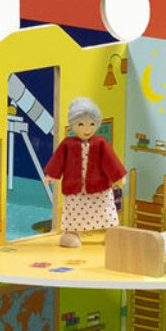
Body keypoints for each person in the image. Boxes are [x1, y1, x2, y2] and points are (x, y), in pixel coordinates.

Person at [42, 97, 126, 247]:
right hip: (75, 189)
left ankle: (112, 233)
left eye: (91, 124)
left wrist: (118, 177)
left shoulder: (101, 143)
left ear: (97, 124)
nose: (87, 129)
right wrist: (51, 175)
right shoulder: (67, 144)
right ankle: (71, 233)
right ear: (73, 124)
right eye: (81, 124)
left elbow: (110, 161)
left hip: (99, 187)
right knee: (73, 213)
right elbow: (58, 161)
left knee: (106, 210)